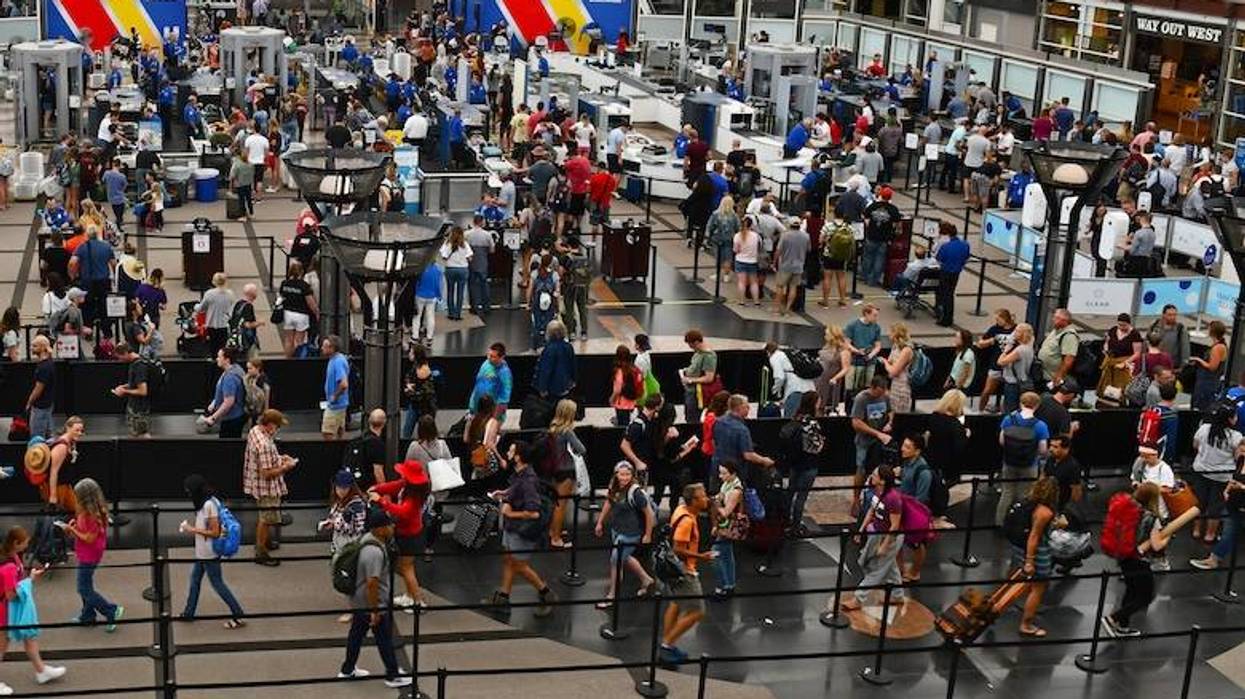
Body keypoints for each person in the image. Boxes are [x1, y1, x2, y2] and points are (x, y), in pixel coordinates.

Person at [337, 507, 412, 688]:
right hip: (371, 602)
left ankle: (347, 669)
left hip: (359, 599)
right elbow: (372, 583)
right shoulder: (374, 552)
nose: (392, 527)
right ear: (379, 529)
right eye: (388, 524)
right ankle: (392, 675)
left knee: (356, 634)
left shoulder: (368, 540)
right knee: (384, 638)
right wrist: (375, 610)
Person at [482, 442, 557, 617]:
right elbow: (517, 489)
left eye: (511, 450)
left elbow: (533, 513)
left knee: (519, 565)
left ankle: (545, 592)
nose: (507, 452)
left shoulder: (528, 481)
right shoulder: (521, 475)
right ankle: (504, 597)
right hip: (512, 528)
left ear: (518, 457)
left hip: (520, 530)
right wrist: (506, 493)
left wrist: (510, 513)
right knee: (509, 559)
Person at [0, 526, 67, 690]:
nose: (27, 545)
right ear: (16, 543)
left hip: (11, 610)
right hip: (4, 612)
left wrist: (29, 579)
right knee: (1, 646)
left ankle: (41, 671)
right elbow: (10, 595)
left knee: (30, 637)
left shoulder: (13, 556)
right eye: (25, 543)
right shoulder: (8, 567)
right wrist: (29, 581)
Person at [1101, 483, 1171, 638]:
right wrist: (1167, 537)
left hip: (1124, 555)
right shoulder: (1152, 517)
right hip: (1140, 560)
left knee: (1131, 591)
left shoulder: (1129, 510)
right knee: (1146, 596)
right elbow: (1157, 545)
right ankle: (1113, 618)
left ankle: (1123, 628)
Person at [659, 483, 715, 667]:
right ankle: (667, 644)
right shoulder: (687, 521)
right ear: (694, 501)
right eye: (703, 496)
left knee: (675, 603)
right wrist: (702, 556)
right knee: (698, 611)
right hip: (685, 571)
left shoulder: (681, 509)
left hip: (673, 570)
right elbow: (679, 549)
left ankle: (667, 645)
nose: (706, 498)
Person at [178, 475, 246, 628]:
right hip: (203, 552)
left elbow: (215, 532)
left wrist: (191, 529)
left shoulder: (209, 505)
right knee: (195, 581)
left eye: (189, 490)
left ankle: (238, 614)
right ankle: (189, 613)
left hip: (209, 553)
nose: (188, 493)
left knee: (217, 584)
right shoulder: (209, 501)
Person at [841, 465, 904, 612]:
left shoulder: (893, 498)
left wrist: (885, 545)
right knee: (888, 565)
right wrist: (860, 531)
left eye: (875, 475)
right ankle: (898, 595)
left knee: (877, 568)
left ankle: (859, 598)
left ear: (882, 481)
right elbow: (871, 511)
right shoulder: (876, 492)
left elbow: (895, 526)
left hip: (891, 537)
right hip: (877, 533)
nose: (872, 476)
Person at [369, 459, 430, 612]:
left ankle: (417, 601)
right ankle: (409, 596)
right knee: (405, 567)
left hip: (411, 536)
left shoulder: (414, 497)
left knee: (407, 568)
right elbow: (393, 486)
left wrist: (382, 501)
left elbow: (403, 511)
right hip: (408, 533)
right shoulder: (409, 486)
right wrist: (377, 488)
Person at [62, 478, 122, 630]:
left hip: (89, 555)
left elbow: (89, 538)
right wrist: (74, 527)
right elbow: (83, 532)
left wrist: (73, 530)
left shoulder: (92, 516)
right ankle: (88, 615)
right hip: (86, 553)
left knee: (83, 588)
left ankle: (111, 610)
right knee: (86, 585)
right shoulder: (87, 512)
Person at [594, 462, 656, 609]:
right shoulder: (614, 486)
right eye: (622, 474)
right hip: (617, 529)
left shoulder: (636, 493)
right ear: (616, 474)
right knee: (625, 557)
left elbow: (649, 514)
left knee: (615, 561)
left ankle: (612, 596)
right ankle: (646, 579)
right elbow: (609, 502)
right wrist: (600, 522)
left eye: (627, 474)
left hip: (631, 533)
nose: (624, 478)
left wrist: (648, 535)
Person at [243, 409, 294, 567]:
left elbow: (264, 461)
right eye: (277, 426)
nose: (278, 429)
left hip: (256, 484)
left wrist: (279, 458)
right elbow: (266, 473)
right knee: (266, 519)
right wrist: (287, 467)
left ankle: (264, 542)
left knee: (265, 517)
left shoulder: (255, 431)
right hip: (266, 488)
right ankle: (261, 552)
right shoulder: (264, 444)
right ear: (270, 425)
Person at [1011, 476, 1059, 637]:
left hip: (1019, 547)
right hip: (1037, 553)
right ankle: (1026, 624)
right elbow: (1035, 536)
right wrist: (1030, 561)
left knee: (1017, 584)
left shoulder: (1029, 503)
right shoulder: (1044, 512)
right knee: (1038, 588)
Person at [1189, 400, 1243, 544]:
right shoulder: (1236, 436)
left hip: (1201, 470)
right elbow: (1239, 457)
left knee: (1199, 503)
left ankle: (1196, 531)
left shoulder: (1204, 428)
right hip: (1221, 476)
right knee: (1216, 506)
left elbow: (1195, 445)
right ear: (1230, 419)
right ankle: (1210, 535)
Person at [996, 392, 1050, 526]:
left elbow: (1002, 441)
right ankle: (1020, 523)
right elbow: (1043, 450)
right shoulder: (1040, 425)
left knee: (1007, 492)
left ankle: (1000, 522)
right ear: (1037, 406)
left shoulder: (1009, 419)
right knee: (1025, 494)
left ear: (1021, 402)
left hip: (1009, 461)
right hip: (1030, 464)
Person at [851, 375, 893, 512]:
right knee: (861, 469)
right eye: (879, 392)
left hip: (880, 441)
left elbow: (891, 411)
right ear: (872, 387)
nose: (881, 395)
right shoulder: (861, 399)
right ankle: (856, 500)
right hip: (864, 441)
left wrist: (889, 422)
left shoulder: (885, 396)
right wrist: (877, 433)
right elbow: (856, 423)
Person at [712, 394, 775, 487]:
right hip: (734, 473)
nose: (749, 409)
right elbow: (748, 455)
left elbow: (714, 442)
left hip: (717, 468)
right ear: (739, 408)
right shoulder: (741, 429)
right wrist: (764, 460)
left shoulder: (718, 422)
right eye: (747, 406)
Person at [896, 434, 932, 581]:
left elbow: (921, 498)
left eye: (907, 447)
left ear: (917, 451)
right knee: (897, 540)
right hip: (903, 507)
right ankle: (901, 569)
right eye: (903, 445)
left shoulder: (923, 472)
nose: (902, 449)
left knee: (917, 544)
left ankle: (915, 572)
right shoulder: (908, 463)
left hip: (915, 512)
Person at [710, 462, 746, 598]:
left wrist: (716, 503)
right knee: (727, 554)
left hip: (729, 526)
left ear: (733, 473)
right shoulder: (726, 484)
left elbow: (725, 512)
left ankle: (722, 586)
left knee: (716, 554)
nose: (721, 476)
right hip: (724, 526)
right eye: (720, 472)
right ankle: (730, 584)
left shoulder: (735, 491)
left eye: (724, 473)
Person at [925, 389, 970, 485]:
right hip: (949, 466)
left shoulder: (934, 417)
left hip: (932, 459)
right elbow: (959, 448)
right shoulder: (956, 425)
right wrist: (966, 436)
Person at [1097, 313, 1143, 407]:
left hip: (1125, 364)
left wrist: (1125, 363)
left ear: (1129, 324)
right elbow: (1107, 343)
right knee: (1107, 389)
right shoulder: (1113, 330)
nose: (1121, 327)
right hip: (1111, 362)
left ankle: (1122, 406)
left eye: (1124, 325)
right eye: (1119, 325)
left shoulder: (1135, 334)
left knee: (1122, 389)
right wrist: (1106, 350)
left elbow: (1137, 353)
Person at [204, 348, 247, 438]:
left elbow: (228, 402)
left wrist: (213, 418)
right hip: (237, 416)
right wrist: (214, 402)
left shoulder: (230, 378)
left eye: (219, 357)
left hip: (231, 419)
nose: (217, 359)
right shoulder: (236, 369)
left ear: (227, 360)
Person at [861, 187, 900, 287]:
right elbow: (896, 225)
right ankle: (873, 281)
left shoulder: (873, 206)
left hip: (871, 236)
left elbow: (865, 218)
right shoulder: (893, 209)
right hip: (884, 238)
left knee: (867, 257)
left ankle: (865, 277)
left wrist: (870, 226)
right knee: (880, 259)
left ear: (881, 195)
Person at [278, 261, 318, 357]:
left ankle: (288, 359)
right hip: (301, 315)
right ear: (301, 272)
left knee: (288, 339)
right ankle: (298, 360)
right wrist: (317, 313)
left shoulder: (285, 284)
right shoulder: (304, 285)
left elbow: (281, 298)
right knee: (299, 341)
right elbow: (310, 303)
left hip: (288, 313)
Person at [111, 343, 150, 438]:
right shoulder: (135, 363)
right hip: (135, 407)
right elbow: (136, 383)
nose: (120, 360)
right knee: (136, 434)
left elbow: (142, 391)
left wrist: (124, 391)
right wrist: (124, 387)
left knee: (141, 435)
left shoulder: (139, 366)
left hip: (139, 409)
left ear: (125, 353)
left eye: (120, 357)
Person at [934, 224, 970, 326]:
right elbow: (966, 257)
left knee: (946, 294)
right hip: (956, 272)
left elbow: (939, 259)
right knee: (950, 293)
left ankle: (946, 318)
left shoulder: (946, 246)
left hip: (946, 271)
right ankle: (947, 316)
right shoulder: (965, 245)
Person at [680, 330, 718, 424]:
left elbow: (709, 377)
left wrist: (690, 380)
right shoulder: (697, 353)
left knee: (693, 419)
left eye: (691, 345)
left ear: (696, 342)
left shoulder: (709, 356)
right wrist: (686, 371)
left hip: (697, 394)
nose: (690, 347)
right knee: (688, 415)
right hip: (690, 391)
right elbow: (694, 367)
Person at [997, 323, 1035, 413]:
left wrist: (1006, 350)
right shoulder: (1029, 347)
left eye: (1017, 331)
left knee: (1009, 410)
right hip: (1022, 381)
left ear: (1023, 334)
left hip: (1012, 384)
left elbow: (1000, 362)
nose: (1014, 333)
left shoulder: (1019, 350)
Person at [401, 344, 436, 441]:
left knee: (424, 435)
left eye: (411, 353)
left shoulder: (423, 371)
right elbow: (408, 376)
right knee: (407, 431)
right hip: (415, 404)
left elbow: (425, 394)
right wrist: (408, 384)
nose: (409, 354)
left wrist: (409, 391)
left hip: (425, 407)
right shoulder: (416, 365)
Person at [196, 273, 236, 358]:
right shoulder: (230, 294)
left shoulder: (209, 294)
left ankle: (214, 364)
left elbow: (201, 309)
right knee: (223, 349)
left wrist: (195, 307)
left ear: (214, 282)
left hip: (212, 324)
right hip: (224, 325)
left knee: (213, 348)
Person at [1191, 320, 1228, 411]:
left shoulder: (1217, 348)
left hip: (1208, 382)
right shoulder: (1218, 345)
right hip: (1206, 381)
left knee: (1203, 406)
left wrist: (1198, 359)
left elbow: (1212, 367)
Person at [468, 343, 513, 419]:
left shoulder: (505, 373)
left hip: (491, 412)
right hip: (477, 408)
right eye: (488, 355)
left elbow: (505, 396)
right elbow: (477, 385)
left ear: (501, 357)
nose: (489, 358)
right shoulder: (485, 364)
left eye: (493, 356)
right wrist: (471, 407)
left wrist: (495, 417)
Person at [773, 224, 810, 317]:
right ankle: (787, 309)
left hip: (785, 265)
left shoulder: (785, 235)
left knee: (780, 287)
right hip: (798, 266)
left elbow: (778, 251)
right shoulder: (806, 236)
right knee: (793, 287)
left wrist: (774, 262)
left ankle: (777, 309)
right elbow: (809, 249)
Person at [1036, 308, 1078, 386]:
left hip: (1053, 379)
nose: (1053, 319)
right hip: (1044, 375)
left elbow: (1069, 358)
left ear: (1064, 320)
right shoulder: (1056, 330)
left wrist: (1060, 375)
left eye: (1056, 318)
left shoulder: (1069, 336)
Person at [816, 326, 851, 416]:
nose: (825, 336)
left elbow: (846, 368)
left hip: (831, 380)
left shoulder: (843, 351)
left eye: (827, 334)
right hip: (820, 378)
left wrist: (835, 378)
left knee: (825, 404)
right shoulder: (826, 346)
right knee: (817, 403)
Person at [880, 323, 915, 413]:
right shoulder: (895, 347)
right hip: (894, 384)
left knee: (900, 414)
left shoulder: (907, 350)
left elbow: (894, 371)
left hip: (902, 387)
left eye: (891, 332)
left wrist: (885, 363)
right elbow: (890, 362)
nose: (889, 335)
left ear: (896, 333)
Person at [439, 226, 472, 322]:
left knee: (450, 291)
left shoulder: (447, 244)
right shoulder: (465, 244)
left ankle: (451, 313)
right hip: (463, 270)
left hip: (450, 269)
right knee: (460, 292)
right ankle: (458, 314)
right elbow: (470, 257)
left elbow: (443, 257)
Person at [25, 336, 55, 438]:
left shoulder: (44, 367)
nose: (31, 348)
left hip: (40, 406)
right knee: (48, 434)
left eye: (34, 346)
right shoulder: (48, 363)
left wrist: (29, 402)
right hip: (47, 403)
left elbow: (38, 389)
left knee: (36, 437)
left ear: (42, 348)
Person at [321, 335, 350, 440]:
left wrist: (334, 396)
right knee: (339, 430)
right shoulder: (335, 359)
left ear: (332, 348)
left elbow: (343, 384)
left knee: (327, 432)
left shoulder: (337, 362)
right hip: (340, 404)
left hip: (335, 406)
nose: (322, 348)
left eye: (325, 346)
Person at [610, 346, 642, 426]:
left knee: (622, 427)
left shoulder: (619, 371)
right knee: (628, 424)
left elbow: (618, 389)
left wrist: (612, 399)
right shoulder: (634, 369)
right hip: (632, 402)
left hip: (621, 403)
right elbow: (640, 382)